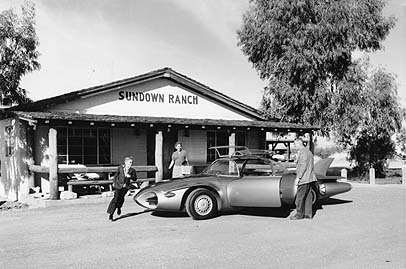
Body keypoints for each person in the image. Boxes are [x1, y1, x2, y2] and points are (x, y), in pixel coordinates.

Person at [290, 137, 317, 220]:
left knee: (300, 197)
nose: (294, 146)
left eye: (295, 144)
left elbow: (302, 166)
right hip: (310, 178)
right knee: (308, 197)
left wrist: (298, 178)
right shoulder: (308, 152)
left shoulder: (303, 152)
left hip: (304, 178)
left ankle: (299, 214)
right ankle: (308, 214)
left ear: (299, 143)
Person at [107, 156, 137, 221]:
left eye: (131, 163)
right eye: (130, 162)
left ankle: (119, 207)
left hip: (125, 187)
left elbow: (135, 179)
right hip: (118, 185)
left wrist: (130, 176)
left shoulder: (132, 170)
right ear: (126, 163)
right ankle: (111, 214)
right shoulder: (120, 168)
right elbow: (116, 175)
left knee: (121, 198)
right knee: (115, 199)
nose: (131, 164)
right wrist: (114, 183)